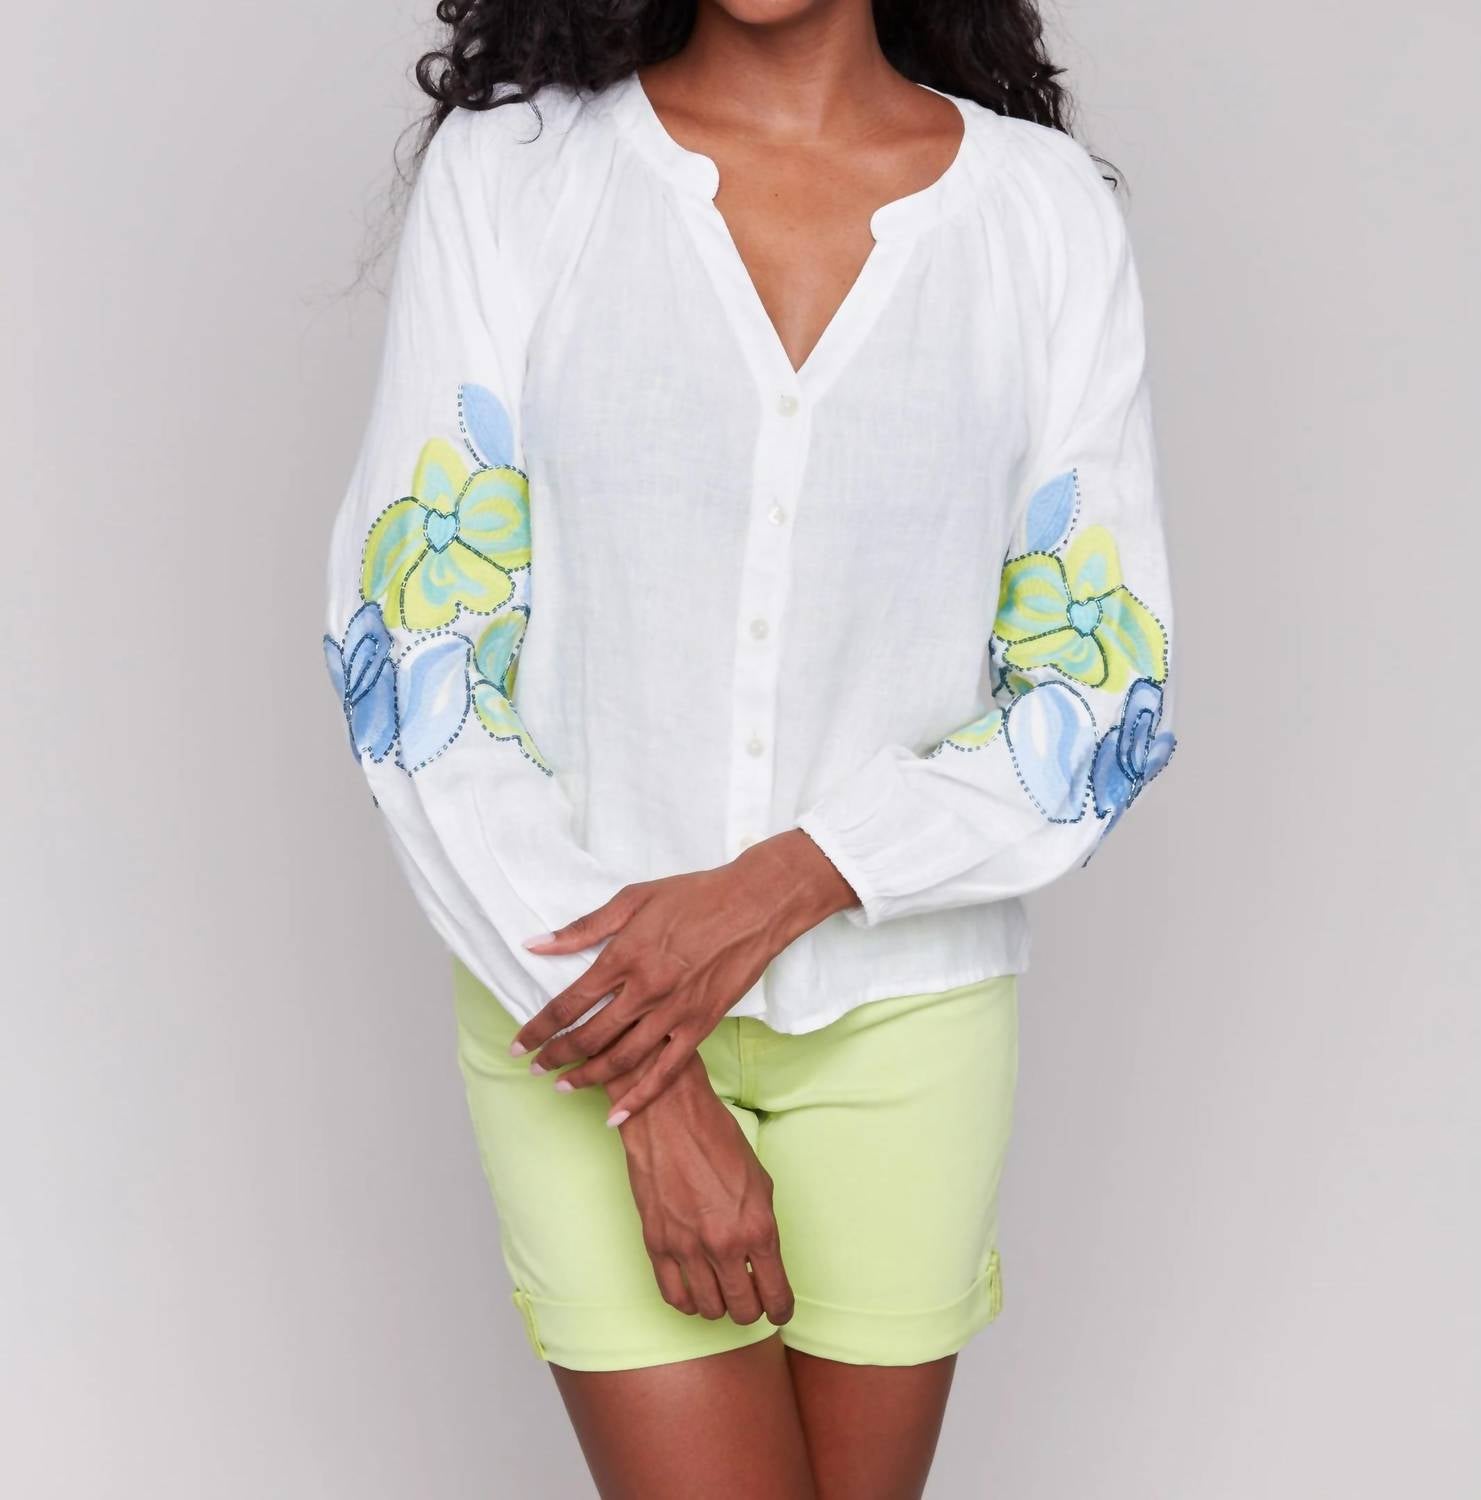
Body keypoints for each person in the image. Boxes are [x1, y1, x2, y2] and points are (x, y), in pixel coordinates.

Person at [321, 1, 1177, 1493]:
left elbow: (1097, 690)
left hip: (905, 1016)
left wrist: (786, 881)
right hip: (571, 997)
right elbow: (417, 656)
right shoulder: (516, 174)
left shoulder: (1040, 215)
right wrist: (648, 1082)